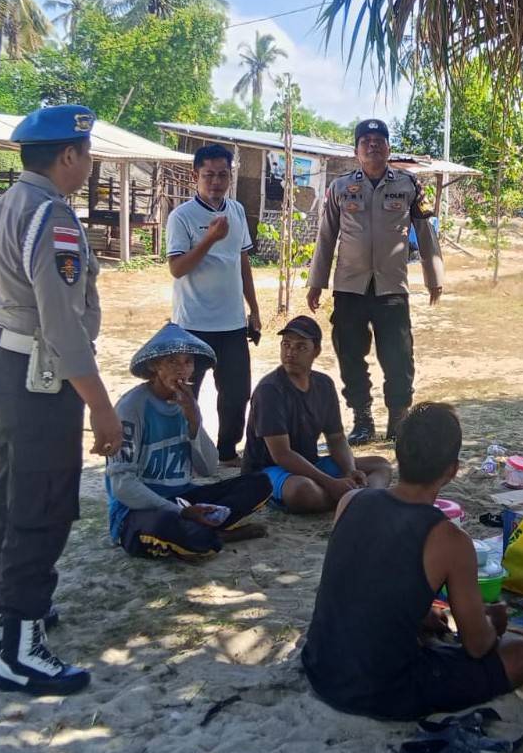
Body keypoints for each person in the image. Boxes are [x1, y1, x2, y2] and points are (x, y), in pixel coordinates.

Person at [0, 104, 123, 696]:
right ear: (68, 156)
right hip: (41, 378)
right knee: (41, 506)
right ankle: (21, 652)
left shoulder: (6, 205)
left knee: (9, 495)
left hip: (8, 366)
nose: (88, 165)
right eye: (87, 154)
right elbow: (62, 328)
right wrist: (102, 407)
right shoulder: (52, 217)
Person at [302, 403, 523, 720]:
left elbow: (366, 578)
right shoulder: (450, 541)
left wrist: (422, 613)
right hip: (381, 691)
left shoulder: (351, 501)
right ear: (452, 470)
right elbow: (477, 646)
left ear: (398, 454)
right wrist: (492, 625)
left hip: (320, 666)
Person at [306, 119, 444, 444]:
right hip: (349, 287)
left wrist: (433, 277)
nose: (372, 145)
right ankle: (363, 418)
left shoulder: (409, 185)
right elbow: (326, 236)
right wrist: (317, 282)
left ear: (388, 148)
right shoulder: (340, 188)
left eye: (379, 140)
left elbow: (425, 232)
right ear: (356, 150)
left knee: (398, 355)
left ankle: (398, 418)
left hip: (392, 286)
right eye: (365, 140)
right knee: (351, 354)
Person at [105, 324, 273, 559]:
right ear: (155, 366)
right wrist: (181, 512)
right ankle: (213, 533)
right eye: (172, 361)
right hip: (140, 508)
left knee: (260, 483)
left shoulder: (185, 404)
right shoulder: (131, 408)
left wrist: (195, 423)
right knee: (174, 528)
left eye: (188, 362)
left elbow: (208, 468)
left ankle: (203, 529)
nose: (182, 370)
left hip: (183, 497)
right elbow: (122, 486)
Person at [165, 144, 261, 466]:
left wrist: (255, 309)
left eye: (222, 175)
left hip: (232, 322)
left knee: (236, 394)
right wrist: (209, 239)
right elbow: (177, 268)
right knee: (186, 393)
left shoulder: (236, 211)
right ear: (196, 176)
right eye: (209, 175)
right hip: (192, 325)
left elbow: (242, 261)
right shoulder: (181, 217)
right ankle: (185, 451)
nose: (216, 182)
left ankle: (226, 451)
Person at [242, 315, 392, 513]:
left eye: (300, 347)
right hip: (268, 470)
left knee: (381, 465)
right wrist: (330, 483)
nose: (290, 353)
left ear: (316, 352)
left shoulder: (324, 384)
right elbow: (282, 455)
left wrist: (349, 470)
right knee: (303, 491)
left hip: (310, 462)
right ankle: (357, 500)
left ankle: (354, 498)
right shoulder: (270, 390)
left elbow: (336, 437)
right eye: (286, 345)